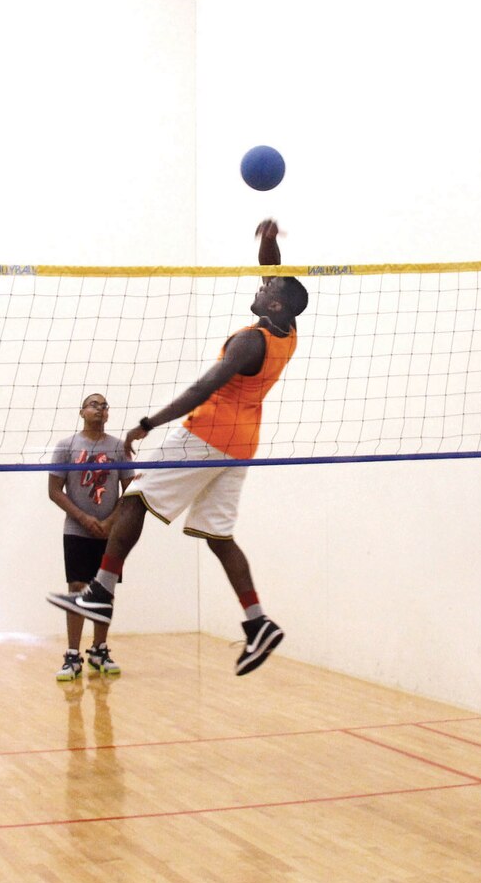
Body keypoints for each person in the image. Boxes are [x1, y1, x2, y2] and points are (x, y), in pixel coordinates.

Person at [48, 219, 308, 676]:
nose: (261, 283)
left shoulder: (250, 341)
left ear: (273, 302)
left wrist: (147, 423)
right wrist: (268, 244)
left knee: (134, 497)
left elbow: (202, 388)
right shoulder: (286, 330)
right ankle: (257, 621)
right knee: (218, 536)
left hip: (207, 434)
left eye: (268, 285)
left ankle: (100, 590)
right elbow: (277, 275)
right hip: (242, 445)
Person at [49, 393, 134, 681]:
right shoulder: (66, 446)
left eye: (104, 405)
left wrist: (110, 521)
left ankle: (99, 650)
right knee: (77, 587)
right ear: (81, 411)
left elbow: (130, 490)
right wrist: (84, 518)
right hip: (76, 530)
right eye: (94, 404)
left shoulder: (119, 448)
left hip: (111, 532)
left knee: (105, 590)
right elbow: (54, 491)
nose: (100, 409)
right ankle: (73, 656)